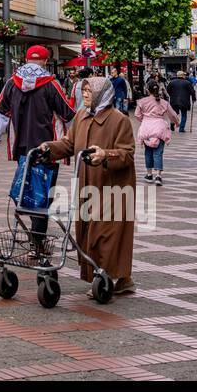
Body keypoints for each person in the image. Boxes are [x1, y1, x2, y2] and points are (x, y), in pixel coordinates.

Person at [40, 75, 137, 296]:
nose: (84, 95)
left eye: (89, 92)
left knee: (104, 234)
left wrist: (106, 155)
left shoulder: (119, 120)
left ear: (103, 95)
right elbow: (69, 143)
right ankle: (121, 278)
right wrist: (49, 148)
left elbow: (127, 154)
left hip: (113, 188)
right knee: (88, 231)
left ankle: (104, 278)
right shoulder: (82, 116)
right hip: (86, 185)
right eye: (83, 91)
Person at [0, 46, 76, 252]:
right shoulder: (51, 84)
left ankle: (35, 238)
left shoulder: (12, 83)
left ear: (25, 59)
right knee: (44, 195)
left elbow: (1, 115)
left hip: (23, 150)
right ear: (45, 62)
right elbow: (67, 114)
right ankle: (38, 240)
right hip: (48, 150)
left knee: (26, 190)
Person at [135, 80, 179, 185]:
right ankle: (158, 176)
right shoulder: (164, 102)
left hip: (146, 128)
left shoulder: (142, 102)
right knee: (158, 153)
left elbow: (137, 115)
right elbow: (172, 115)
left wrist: (144, 119)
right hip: (159, 128)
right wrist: (176, 123)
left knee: (148, 152)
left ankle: (149, 174)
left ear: (147, 90)